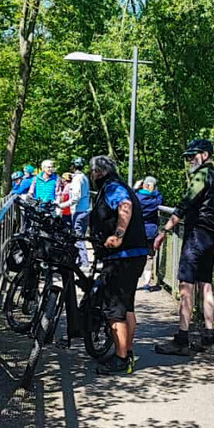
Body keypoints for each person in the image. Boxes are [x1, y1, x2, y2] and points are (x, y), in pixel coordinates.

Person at [154, 138, 214, 356]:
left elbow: (185, 205)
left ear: (205, 155)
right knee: (206, 285)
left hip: (196, 236)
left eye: (193, 156)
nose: (189, 161)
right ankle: (208, 337)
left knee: (187, 286)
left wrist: (164, 231)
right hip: (212, 236)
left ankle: (182, 339)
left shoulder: (202, 176)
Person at [89, 155, 148, 375]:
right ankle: (127, 351)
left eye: (93, 172)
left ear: (98, 172)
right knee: (126, 306)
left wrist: (118, 235)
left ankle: (121, 359)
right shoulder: (120, 184)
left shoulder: (112, 187)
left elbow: (125, 205)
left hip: (122, 256)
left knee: (114, 309)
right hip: (135, 254)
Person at [134, 175, 163, 289]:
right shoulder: (155, 199)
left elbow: (128, 196)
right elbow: (160, 197)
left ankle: (134, 281)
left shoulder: (137, 196)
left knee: (136, 255)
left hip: (138, 230)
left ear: (143, 185)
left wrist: (136, 187)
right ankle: (146, 283)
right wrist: (156, 191)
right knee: (149, 257)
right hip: (151, 231)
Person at [69, 157, 91, 271]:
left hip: (79, 211)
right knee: (80, 235)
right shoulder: (84, 177)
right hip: (86, 210)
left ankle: (84, 262)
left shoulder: (77, 179)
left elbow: (75, 197)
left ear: (73, 166)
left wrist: (62, 205)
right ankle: (80, 260)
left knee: (78, 237)